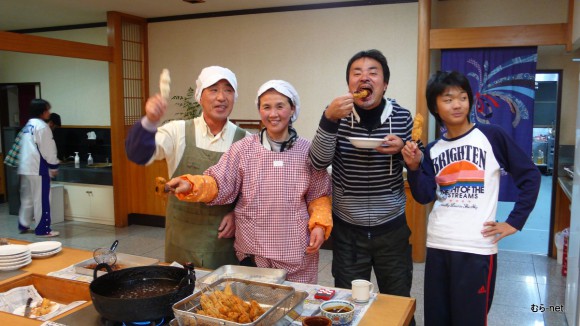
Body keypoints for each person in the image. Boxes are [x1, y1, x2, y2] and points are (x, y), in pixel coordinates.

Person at [401, 71, 541, 325]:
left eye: (462, 97)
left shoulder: (492, 136)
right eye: (448, 99)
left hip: (476, 247)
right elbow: (423, 196)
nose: (457, 104)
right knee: (437, 319)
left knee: (470, 320)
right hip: (439, 243)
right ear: (435, 106)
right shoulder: (433, 149)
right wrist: (413, 168)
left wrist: (514, 221)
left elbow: (530, 176)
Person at [166, 80, 333, 284]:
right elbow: (218, 182)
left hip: (296, 250)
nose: (273, 114)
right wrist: (190, 184)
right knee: (255, 305)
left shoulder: (308, 151)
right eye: (266, 107)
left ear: (293, 109)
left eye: (280, 106)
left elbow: (319, 195)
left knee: (296, 308)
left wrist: (319, 225)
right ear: (259, 110)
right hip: (253, 253)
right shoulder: (243, 149)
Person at [308, 49, 417, 299]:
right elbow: (317, 162)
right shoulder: (336, 114)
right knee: (349, 302)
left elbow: (416, 160)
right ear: (349, 84)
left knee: (397, 299)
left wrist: (402, 149)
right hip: (348, 232)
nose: (364, 78)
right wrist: (328, 120)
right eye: (356, 73)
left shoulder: (402, 117)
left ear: (385, 84)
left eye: (372, 73)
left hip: (392, 228)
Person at [125, 66, 249, 269]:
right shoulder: (177, 131)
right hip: (181, 239)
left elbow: (252, 194)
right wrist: (149, 121)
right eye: (213, 90)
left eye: (228, 90)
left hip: (224, 241)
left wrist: (237, 214)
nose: (221, 97)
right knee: (180, 293)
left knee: (223, 296)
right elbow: (138, 154)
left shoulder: (246, 141)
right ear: (200, 96)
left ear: (235, 97)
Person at [18, 99, 60, 237]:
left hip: (25, 166)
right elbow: (48, 149)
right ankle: (43, 229)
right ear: (42, 112)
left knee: (27, 198)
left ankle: (23, 224)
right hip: (38, 168)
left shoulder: (28, 125)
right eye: (47, 109)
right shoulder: (42, 126)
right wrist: (53, 166)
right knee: (41, 198)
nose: (49, 112)